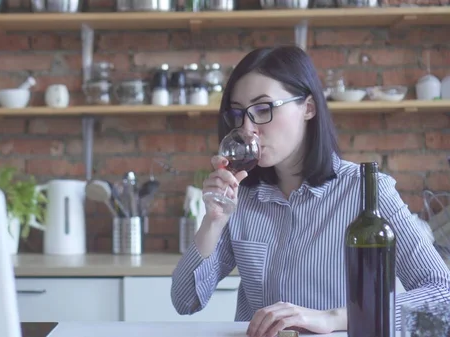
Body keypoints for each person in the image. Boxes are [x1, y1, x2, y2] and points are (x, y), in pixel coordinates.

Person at [170, 45, 450, 337]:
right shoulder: (242, 198)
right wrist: (212, 222)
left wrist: (334, 318)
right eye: (239, 114)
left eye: (263, 109)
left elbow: (443, 294)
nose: (248, 128)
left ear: (308, 107)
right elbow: (185, 301)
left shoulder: (366, 191)